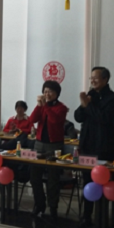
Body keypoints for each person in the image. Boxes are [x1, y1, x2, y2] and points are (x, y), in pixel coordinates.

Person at [74, 67, 114, 227]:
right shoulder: (90, 95)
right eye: (91, 78)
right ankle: (86, 216)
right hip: (87, 146)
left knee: (102, 183)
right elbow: (78, 117)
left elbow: (104, 119)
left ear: (105, 79)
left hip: (103, 147)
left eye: (96, 78)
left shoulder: (113, 98)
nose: (92, 81)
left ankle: (101, 219)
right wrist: (83, 105)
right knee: (87, 183)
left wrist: (88, 105)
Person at [29, 81, 68, 219]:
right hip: (39, 144)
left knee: (53, 179)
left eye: (50, 91)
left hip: (54, 146)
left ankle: (53, 207)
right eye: (45, 91)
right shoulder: (42, 106)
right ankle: (39, 204)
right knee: (34, 177)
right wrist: (38, 106)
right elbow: (32, 119)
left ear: (57, 93)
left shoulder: (62, 107)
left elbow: (54, 120)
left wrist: (45, 106)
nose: (47, 94)